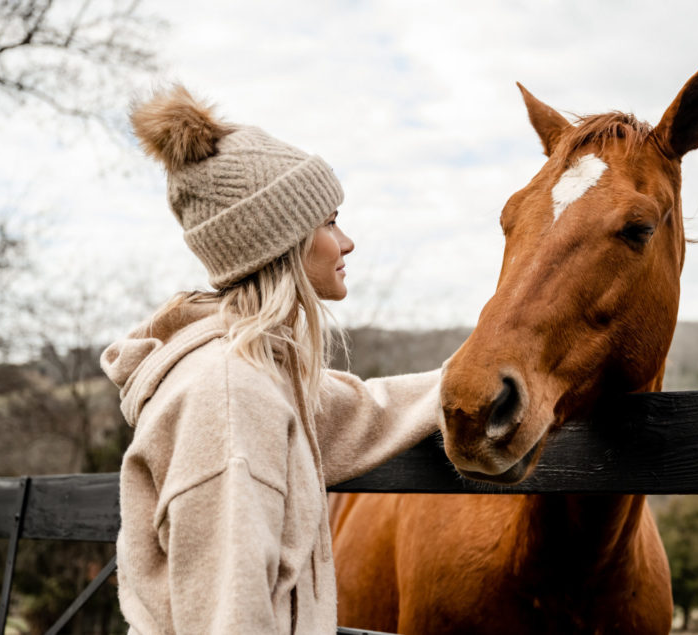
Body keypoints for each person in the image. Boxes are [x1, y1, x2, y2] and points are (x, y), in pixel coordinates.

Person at [100, 85, 442, 633]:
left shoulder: (254, 375)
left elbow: (357, 411)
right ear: (281, 243)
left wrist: (465, 383)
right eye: (330, 222)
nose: (347, 242)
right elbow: (228, 616)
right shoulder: (234, 396)